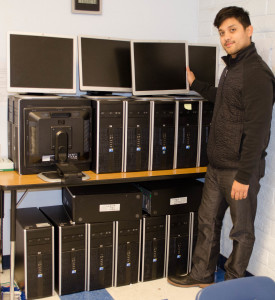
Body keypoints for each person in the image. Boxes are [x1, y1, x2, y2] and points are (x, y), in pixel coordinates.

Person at [168, 6, 275, 288]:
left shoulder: (257, 74)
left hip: (240, 170)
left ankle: (232, 287)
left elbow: (258, 130)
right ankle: (201, 275)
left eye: (232, 30)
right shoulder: (233, 67)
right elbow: (223, 99)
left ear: (248, 31)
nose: (226, 37)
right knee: (207, 222)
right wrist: (196, 84)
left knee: (241, 232)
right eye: (222, 32)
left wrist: (243, 176)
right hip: (217, 166)